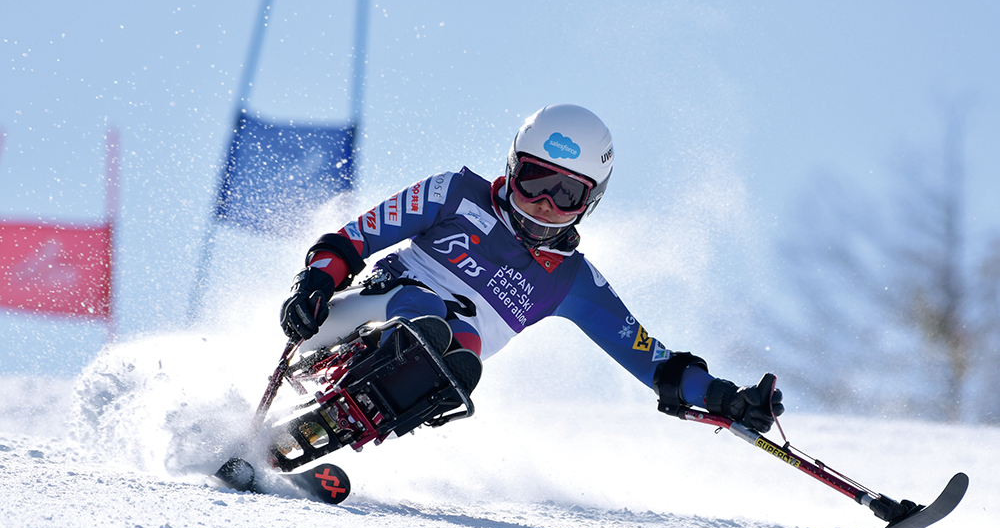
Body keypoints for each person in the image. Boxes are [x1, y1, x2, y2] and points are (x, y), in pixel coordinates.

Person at [279, 104, 784, 432]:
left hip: (433, 365)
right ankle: (365, 375)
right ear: (511, 167)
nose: (544, 202)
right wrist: (315, 281)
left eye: (566, 193)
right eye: (534, 179)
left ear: (591, 201)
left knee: (464, 348)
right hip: (360, 314)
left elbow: (652, 360)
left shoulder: (571, 282)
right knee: (427, 312)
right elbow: (353, 239)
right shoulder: (455, 193)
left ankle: (348, 420)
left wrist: (725, 398)